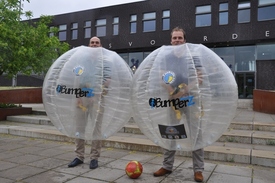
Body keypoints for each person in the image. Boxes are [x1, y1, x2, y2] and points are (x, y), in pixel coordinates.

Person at [153, 27, 204, 182]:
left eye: (180, 38)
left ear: (184, 40)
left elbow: (200, 77)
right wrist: (172, 91)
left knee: (196, 133)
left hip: (190, 100)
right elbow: (161, 77)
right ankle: (167, 166)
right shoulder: (166, 57)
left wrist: (184, 90)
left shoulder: (193, 56)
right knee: (171, 132)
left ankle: (198, 170)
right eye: (174, 38)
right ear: (171, 40)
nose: (177, 41)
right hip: (172, 101)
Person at [68, 36, 109, 169]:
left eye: (97, 43)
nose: (94, 44)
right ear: (89, 45)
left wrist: (97, 93)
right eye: (92, 42)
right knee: (80, 127)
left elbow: (108, 79)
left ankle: (94, 158)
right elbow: (77, 78)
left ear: (100, 45)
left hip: (97, 98)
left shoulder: (105, 61)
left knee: (96, 129)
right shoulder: (82, 60)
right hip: (82, 97)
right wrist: (78, 97)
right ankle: (79, 156)